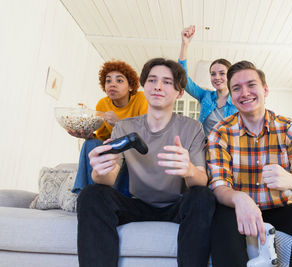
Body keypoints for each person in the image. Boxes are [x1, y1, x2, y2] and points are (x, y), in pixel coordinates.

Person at [76, 58, 215, 267]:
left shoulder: (192, 128)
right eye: (152, 80)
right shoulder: (123, 127)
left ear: (179, 92)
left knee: (203, 196)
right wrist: (98, 171)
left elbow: (201, 180)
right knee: (91, 194)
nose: (158, 86)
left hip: (176, 206)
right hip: (136, 204)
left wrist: (188, 170)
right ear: (144, 86)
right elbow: (108, 178)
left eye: (167, 82)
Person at [207, 61, 292, 267]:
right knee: (219, 215)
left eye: (251, 85)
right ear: (230, 95)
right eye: (236, 88)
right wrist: (239, 199)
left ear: (265, 89)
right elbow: (219, 187)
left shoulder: (291, 130)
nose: (244, 93)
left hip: (278, 210)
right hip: (237, 211)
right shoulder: (220, 133)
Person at [71, 60, 148, 196]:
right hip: (114, 148)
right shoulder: (102, 104)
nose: (112, 84)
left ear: (130, 86)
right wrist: (89, 135)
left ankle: (110, 197)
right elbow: (102, 138)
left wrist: (119, 123)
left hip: (134, 151)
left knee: (125, 153)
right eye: (108, 81)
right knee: (90, 144)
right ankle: (84, 194)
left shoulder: (141, 99)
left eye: (119, 81)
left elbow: (144, 136)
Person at [179, 25, 237, 136]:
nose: (217, 77)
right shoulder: (205, 96)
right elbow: (183, 79)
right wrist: (185, 45)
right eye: (213, 74)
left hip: (226, 151)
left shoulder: (238, 101)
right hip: (203, 148)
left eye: (222, 73)